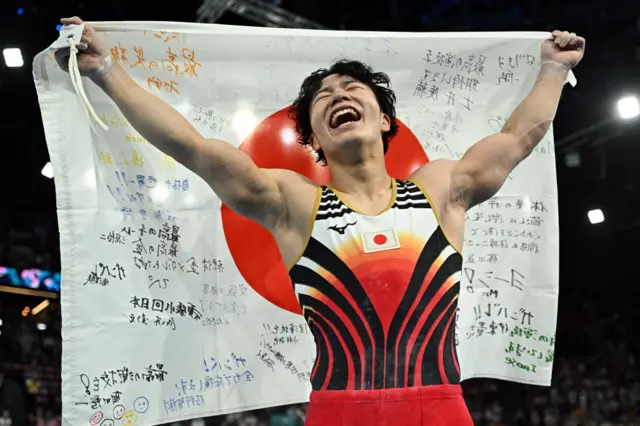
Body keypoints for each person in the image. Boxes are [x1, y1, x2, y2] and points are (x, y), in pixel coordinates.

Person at [55, 16, 585, 425]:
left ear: (384, 119)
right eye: (324, 97)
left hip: (439, 407)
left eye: (353, 89)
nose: (338, 95)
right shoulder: (293, 203)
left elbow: (518, 138)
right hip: (340, 410)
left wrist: (555, 67)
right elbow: (194, 148)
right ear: (313, 137)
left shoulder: (442, 188)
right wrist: (106, 69)